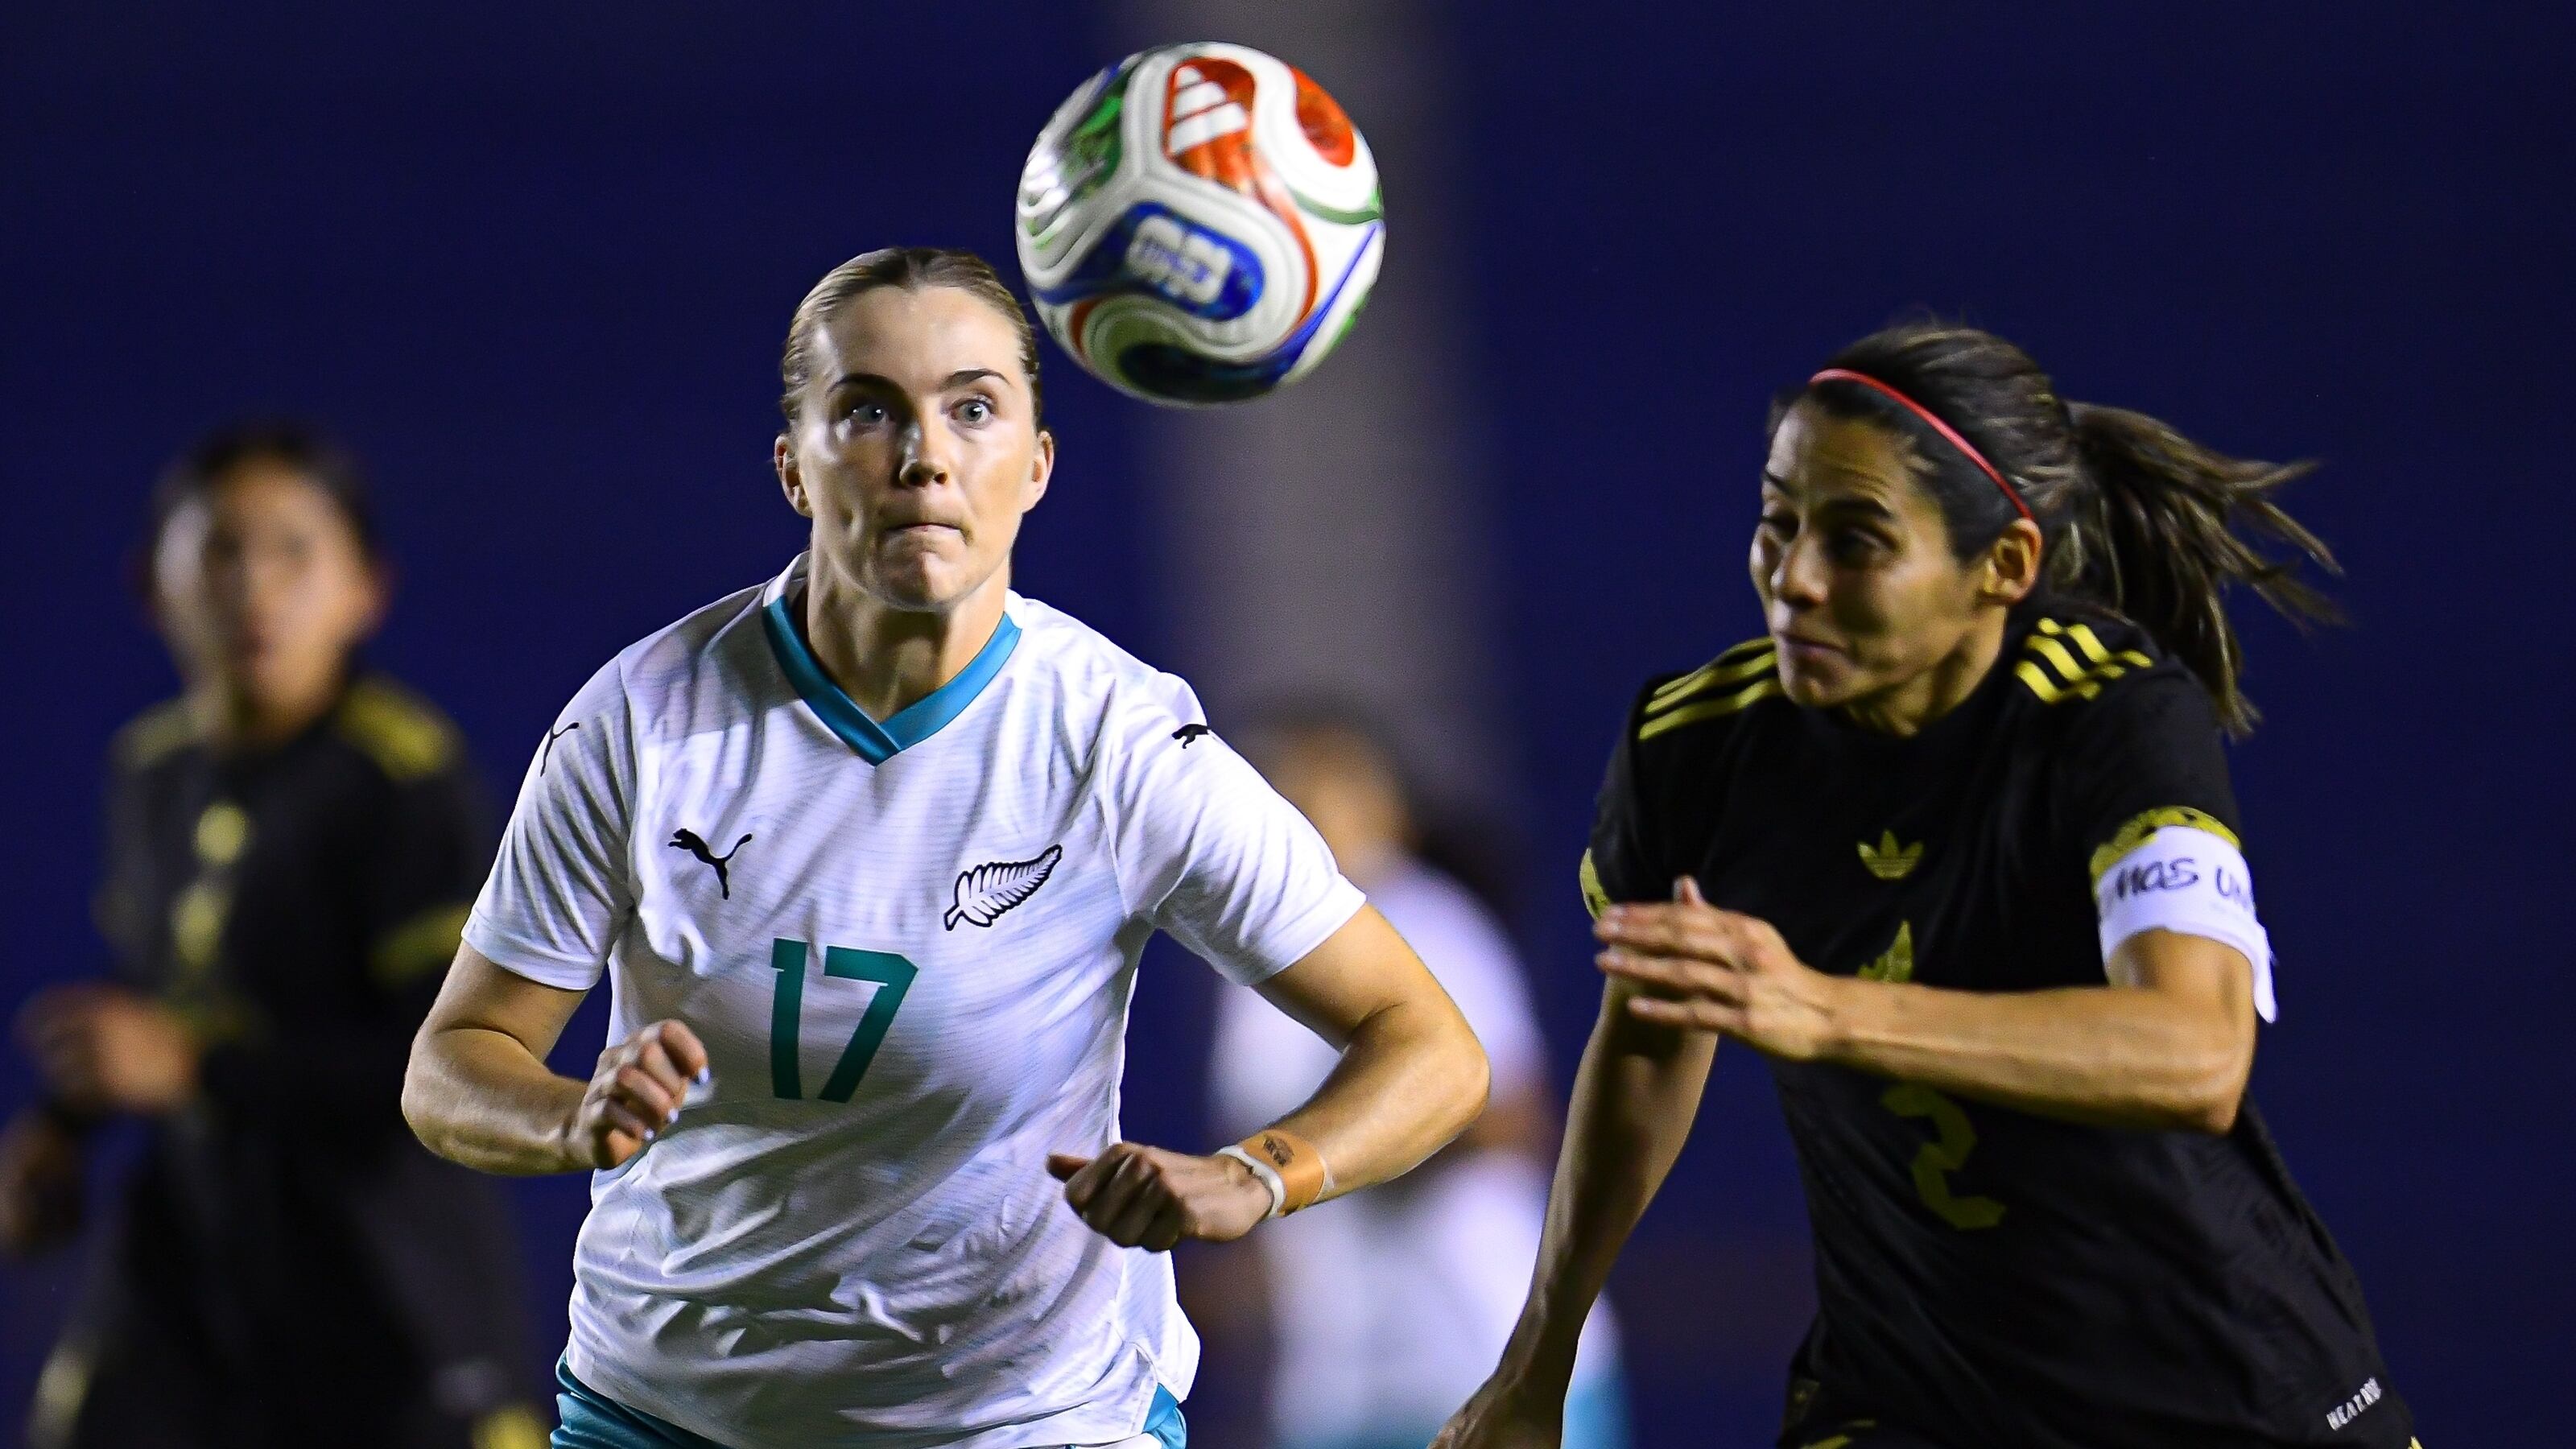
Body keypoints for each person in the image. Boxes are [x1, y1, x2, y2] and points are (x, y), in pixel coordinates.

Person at [399, 246, 1491, 1449]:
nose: (924, 455)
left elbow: (1432, 1047)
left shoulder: (1118, 745)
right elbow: (454, 1060)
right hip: (672, 1413)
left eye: (972, 408)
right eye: (867, 411)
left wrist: (1262, 1173)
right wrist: (568, 1115)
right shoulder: (643, 719)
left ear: (1034, 467)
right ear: (793, 469)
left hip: (1030, 1423)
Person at [1435, 324, 2420, 1449]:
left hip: (2216, 1389)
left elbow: (2197, 1053)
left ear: (2003, 567)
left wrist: (1826, 1009)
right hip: (1910, 1395)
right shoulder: (1695, 744)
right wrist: (1537, 1363)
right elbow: (1651, 1038)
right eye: (1778, 521)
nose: (1794, 579)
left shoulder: (2110, 718)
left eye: (1856, 541)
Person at [1, 423, 542, 1449]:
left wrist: (198, 1069)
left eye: (296, 551)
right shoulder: (150, 771)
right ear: (151, 586)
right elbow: (167, 991)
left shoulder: (400, 779)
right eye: (218, 550)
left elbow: (448, 1064)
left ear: (364, 590)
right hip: (200, 1273)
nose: (256, 586)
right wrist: (59, 1132)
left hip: (383, 1295)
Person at [1207, 710, 1628, 1449]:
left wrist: (1352, 1146)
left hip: (1482, 1353)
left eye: (1330, 783)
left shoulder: (1426, 922)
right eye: (1287, 787)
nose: (1306, 804)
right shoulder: (1249, 970)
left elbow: (1511, 1118)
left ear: (1389, 807)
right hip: (1338, 1375)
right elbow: (1257, 1171)